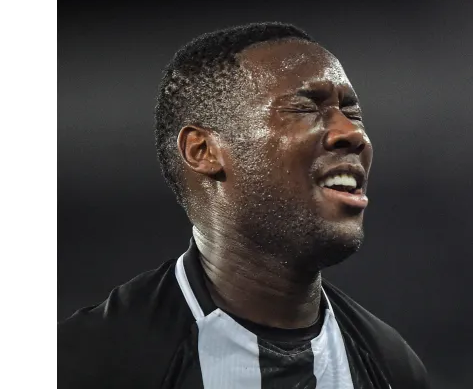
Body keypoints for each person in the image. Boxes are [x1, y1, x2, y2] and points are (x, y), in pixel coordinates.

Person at [58, 22, 429, 389]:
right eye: (305, 108)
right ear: (203, 151)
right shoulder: (90, 362)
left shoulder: (388, 365)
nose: (353, 133)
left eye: (352, 112)